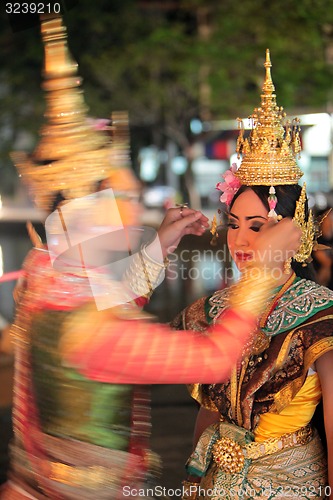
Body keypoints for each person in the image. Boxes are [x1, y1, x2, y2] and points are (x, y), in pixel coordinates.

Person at [0, 18, 301, 500]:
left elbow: (106, 292)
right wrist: (264, 272)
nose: (134, 208)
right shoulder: (96, 332)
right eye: (122, 200)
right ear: (86, 217)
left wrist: (160, 245)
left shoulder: (44, 272)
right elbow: (213, 359)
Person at [172, 50, 333, 499]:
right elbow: (209, 411)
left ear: (292, 230)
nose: (241, 241)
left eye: (259, 227)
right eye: (235, 225)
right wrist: (191, 482)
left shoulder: (318, 314)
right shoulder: (213, 308)